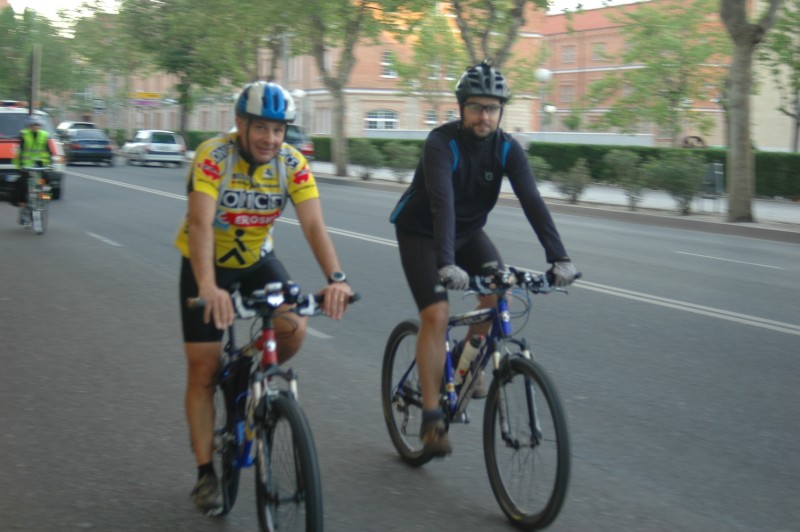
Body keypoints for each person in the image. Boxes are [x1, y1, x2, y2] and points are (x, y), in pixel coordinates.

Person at [175, 80, 354, 515]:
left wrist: (336, 278)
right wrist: (208, 287)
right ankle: (205, 474)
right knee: (203, 369)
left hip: (257, 261)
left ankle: (249, 374)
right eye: (261, 128)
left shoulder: (291, 163)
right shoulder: (213, 157)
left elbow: (314, 225)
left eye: (278, 130)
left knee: (293, 327)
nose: (270, 139)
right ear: (240, 124)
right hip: (206, 265)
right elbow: (199, 224)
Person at [390, 61, 579, 456]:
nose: (484, 116)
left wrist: (559, 258)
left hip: (468, 232)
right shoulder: (442, 144)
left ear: (500, 111)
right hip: (422, 232)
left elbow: (532, 201)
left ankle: (464, 357)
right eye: (476, 107)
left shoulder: (507, 148)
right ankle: (431, 418)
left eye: (492, 108)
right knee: (436, 314)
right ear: (462, 108)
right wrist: (447, 263)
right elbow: (442, 203)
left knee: (497, 293)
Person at [13, 115, 53, 226]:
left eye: (38, 125)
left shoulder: (44, 135)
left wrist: (50, 163)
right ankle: (24, 209)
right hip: (26, 165)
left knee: (46, 182)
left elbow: (48, 151)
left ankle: (45, 199)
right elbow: (19, 152)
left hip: (40, 165)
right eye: (33, 125)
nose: (36, 126)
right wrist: (20, 166)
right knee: (23, 185)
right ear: (29, 126)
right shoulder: (24, 135)